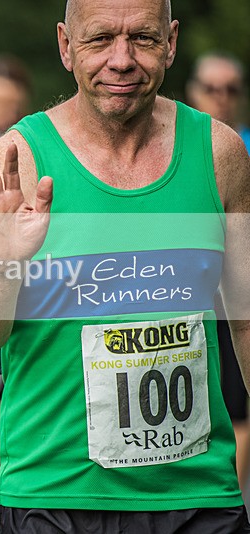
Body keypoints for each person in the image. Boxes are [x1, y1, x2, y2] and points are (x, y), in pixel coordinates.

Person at [0, 0, 250, 532]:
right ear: (65, 46)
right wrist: (5, 268)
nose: (122, 60)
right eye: (100, 39)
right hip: (55, 497)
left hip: (199, 498)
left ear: (171, 41)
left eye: (144, 39)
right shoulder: (21, 157)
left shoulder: (218, 152)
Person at [188, 51, 250, 492]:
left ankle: (229, 498)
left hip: (238, 290)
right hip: (189, 292)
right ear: (193, 90)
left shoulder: (243, 148)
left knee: (237, 405)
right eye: (213, 88)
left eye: (231, 89)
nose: (222, 97)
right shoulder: (171, 146)